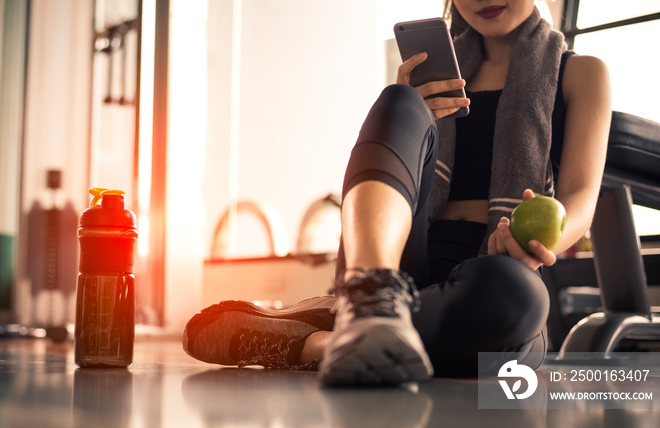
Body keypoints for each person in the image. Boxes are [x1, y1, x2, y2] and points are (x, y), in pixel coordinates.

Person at [183, 0, 611, 385]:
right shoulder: (432, 69)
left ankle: (325, 342)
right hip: (401, 261)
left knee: (515, 297)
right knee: (399, 101)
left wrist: (535, 241)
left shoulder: (581, 72)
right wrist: (410, 107)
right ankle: (372, 297)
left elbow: (580, 197)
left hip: (494, 271)